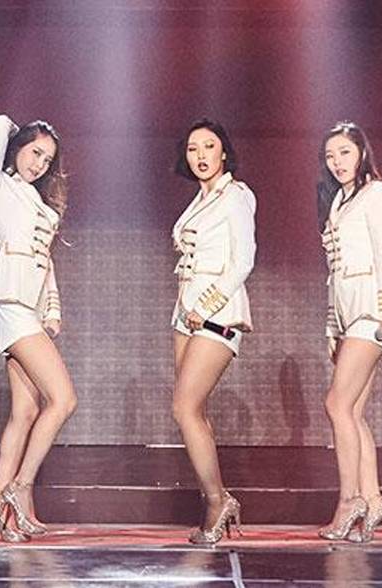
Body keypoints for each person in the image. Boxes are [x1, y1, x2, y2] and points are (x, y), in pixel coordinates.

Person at [0, 114, 76, 542]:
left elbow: (45, 261)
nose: (39, 164)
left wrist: (52, 308)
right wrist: (21, 130)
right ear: (18, 149)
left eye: (47, 160)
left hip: (29, 307)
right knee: (64, 399)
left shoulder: (38, 201)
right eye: (35, 152)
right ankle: (18, 488)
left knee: (26, 411)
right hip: (10, 302)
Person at [170, 118, 256, 545]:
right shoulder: (199, 200)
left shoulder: (235, 196)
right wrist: (187, 311)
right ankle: (217, 500)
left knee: (184, 408)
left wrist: (204, 307)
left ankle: (218, 501)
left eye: (208, 146)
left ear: (224, 152)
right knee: (193, 411)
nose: (201, 155)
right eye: (192, 148)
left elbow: (243, 261)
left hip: (217, 313)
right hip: (185, 314)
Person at [317, 121, 382, 543]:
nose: (337, 162)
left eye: (344, 152)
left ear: (362, 152)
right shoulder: (338, 202)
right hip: (348, 315)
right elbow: (334, 272)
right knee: (352, 412)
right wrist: (332, 325)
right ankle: (374, 497)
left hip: (370, 310)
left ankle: (349, 500)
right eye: (330, 156)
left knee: (336, 403)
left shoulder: (377, 193)